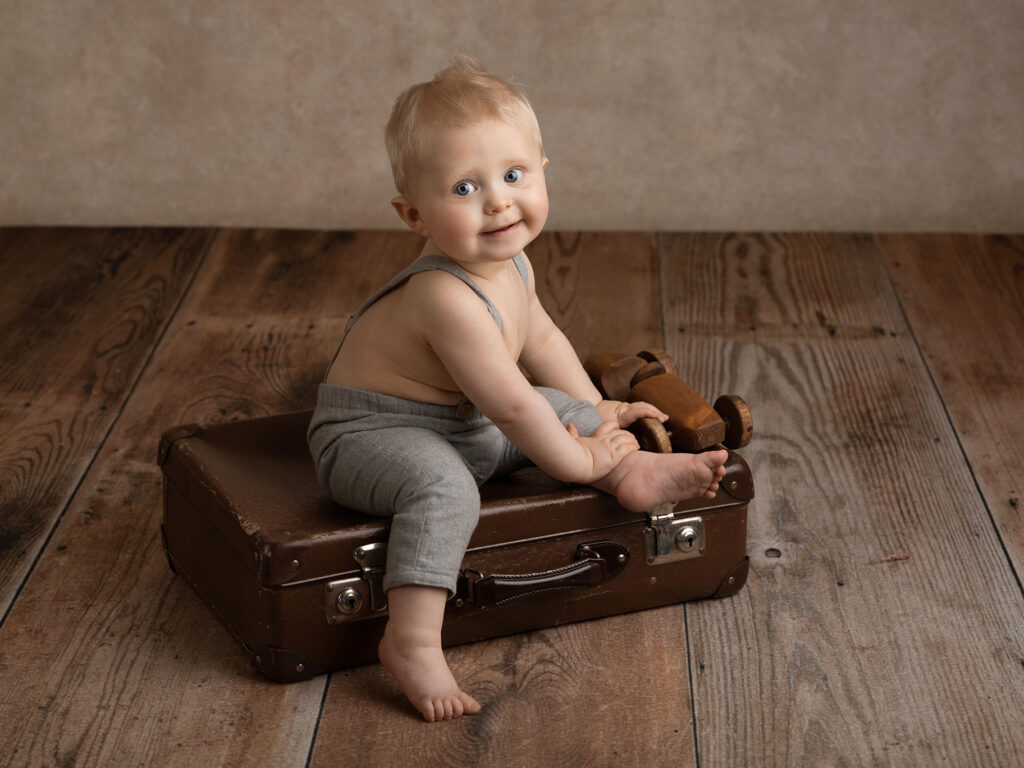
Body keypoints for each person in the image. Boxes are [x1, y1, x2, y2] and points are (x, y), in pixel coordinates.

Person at [308, 56, 728, 722]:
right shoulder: (444, 295)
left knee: (560, 409)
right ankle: (411, 639)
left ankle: (635, 473)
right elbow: (508, 402)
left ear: (541, 172)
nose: (499, 201)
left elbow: (543, 343)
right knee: (445, 487)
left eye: (512, 176)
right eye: (464, 188)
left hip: (464, 424)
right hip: (372, 438)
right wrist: (577, 456)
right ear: (413, 214)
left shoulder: (515, 261)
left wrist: (593, 412)